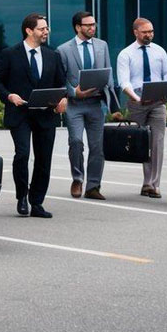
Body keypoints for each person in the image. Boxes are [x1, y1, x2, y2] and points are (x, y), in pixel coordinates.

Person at [0, 13, 67, 219]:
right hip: (20, 113)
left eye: (47, 28)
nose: (46, 32)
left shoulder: (53, 55)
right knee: (22, 154)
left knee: (44, 159)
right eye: (42, 28)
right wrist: (9, 96)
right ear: (29, 30)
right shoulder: (10, 54)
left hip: (45, 114)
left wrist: (63, 99)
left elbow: (62, 84)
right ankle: (21, 197)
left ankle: (37, 202)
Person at [56, 11, 120, 201]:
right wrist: (74, 92)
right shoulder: (63, 49)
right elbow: (61, 78)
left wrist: (113, 106)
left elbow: (109, 75)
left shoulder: (102, 46)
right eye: (88, 25)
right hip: (75, 104)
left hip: (96, 103)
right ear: (78, 27)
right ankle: (77, 179)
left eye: (94, 24)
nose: (93, 28)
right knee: (75, 142)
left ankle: (93, 186)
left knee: (97, 147)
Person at [117, 18, 167, 198]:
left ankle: (152, 184)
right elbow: (124, 81)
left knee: (157, 142)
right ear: (135, 32)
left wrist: (165, 91)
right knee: (141, 142)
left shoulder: (160, 51)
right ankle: (147, 181)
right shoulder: (125, 54)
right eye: (145, 32)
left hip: (157, 102)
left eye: (151, 31)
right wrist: (136, 97)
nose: (149, 35)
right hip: (137, 101)